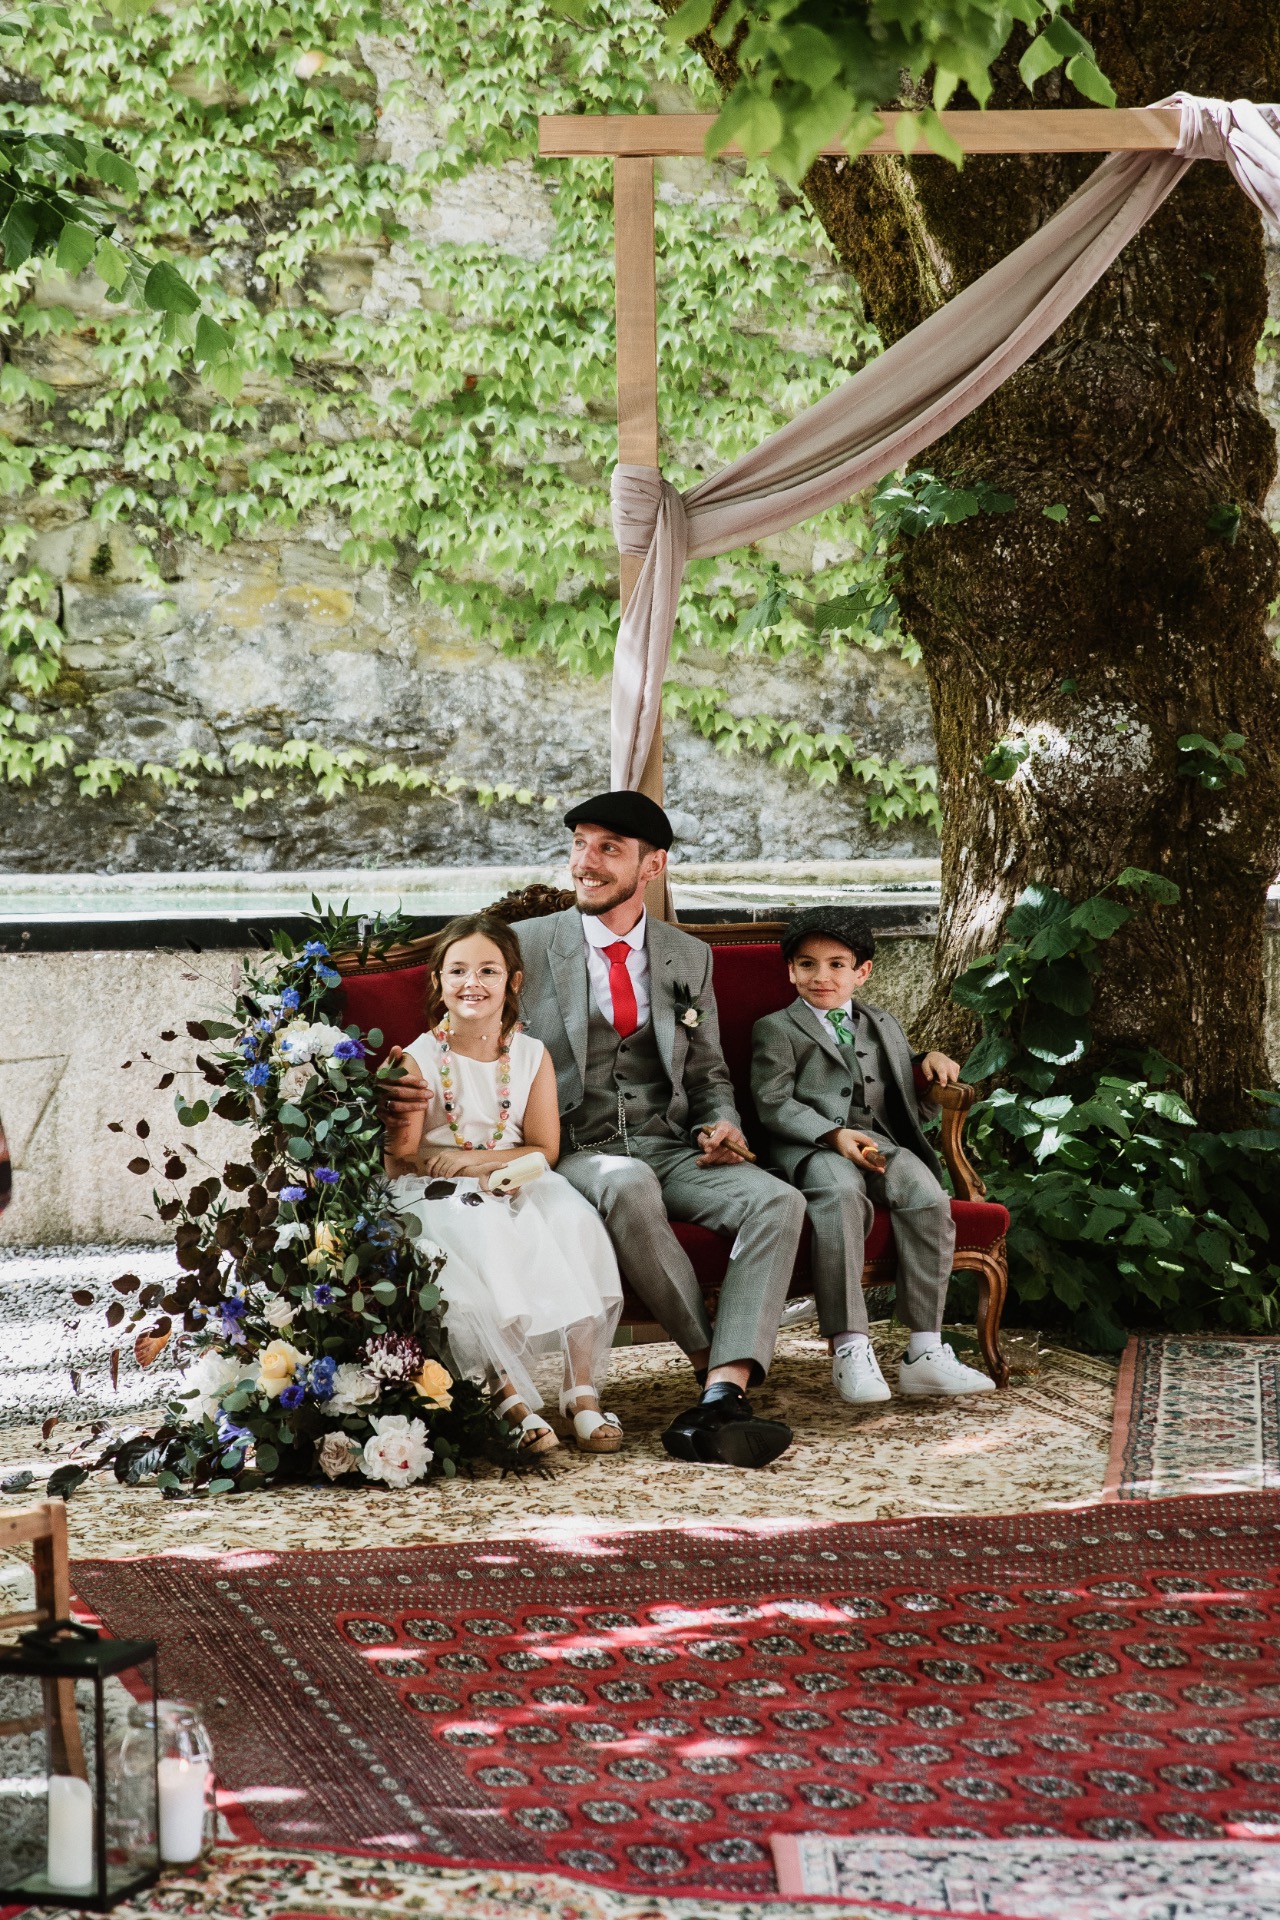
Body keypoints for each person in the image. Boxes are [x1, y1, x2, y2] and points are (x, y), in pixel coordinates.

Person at [513, 791, 805, 1469]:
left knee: (778, 1201)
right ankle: (711, 1375)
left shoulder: (686, 956)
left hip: (670, 1144)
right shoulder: (526, 946)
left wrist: (721, 1123)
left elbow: (709, 1074)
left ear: (653, 865)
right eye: (579, 844)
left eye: (608, 848)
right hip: (576, 1149)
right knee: (628, 1183)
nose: (585, 863)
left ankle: (723, 1391)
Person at [382, 912, 625, 1457]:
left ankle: (581, 1390)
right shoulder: (417, 1059)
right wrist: (460, 1169)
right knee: (483, 1227)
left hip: (515, 1178)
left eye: (488, 970)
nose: (472, 983)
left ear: (513, 981)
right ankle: (506, 1394)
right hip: (437, 1194)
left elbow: (544, 1148)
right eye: (458, 971)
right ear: (438, 981)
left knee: (572, 1218)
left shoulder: (531, 1054)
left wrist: (479, 1163)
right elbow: (401, 1161)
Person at [750, 906, 995, 1406]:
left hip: (880, 1141)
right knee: (841, 1195)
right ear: (790, 971)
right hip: (813, 1145)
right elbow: (772, 1102)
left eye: (837, 964)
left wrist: (928, 1063)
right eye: (807, 964)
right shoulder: (776, 1028)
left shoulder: (881, 1022)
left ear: (861, 972)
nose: (821, 976)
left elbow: (903, 1088)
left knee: (927, 1196)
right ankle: (850, 1346)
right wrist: (832, 1134)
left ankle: (924, 1352)